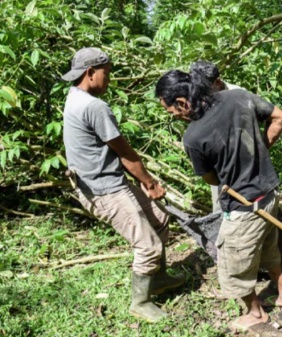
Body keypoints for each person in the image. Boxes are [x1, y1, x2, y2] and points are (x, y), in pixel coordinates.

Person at [155, 70, 282, 330]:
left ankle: (255, 313)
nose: (174, 117)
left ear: (182, 102)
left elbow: (212, 180)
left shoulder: (193, 137)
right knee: (268, 249)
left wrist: (239, 165)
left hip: (244, 207)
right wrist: (258, 153)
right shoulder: (238, 97)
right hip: (269, 194)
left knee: (231, 265)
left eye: (171, 111)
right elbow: (279, 117)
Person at [62, 47, 185, 323]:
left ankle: (160, 278)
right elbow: (125, 153)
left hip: (108, 181)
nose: (109, 79)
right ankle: (140, 303)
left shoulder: (73, 97)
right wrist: (150, 183)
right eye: (107, 73)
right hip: (104, 190)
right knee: (148, 246)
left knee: (160, 220)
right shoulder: (94, 106)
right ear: (90, 73)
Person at [189, 60, 243, 212]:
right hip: (218, 163)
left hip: (243, 158)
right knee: (221, 207)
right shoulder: (198, 97)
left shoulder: (238, 94)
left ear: (217, 82)